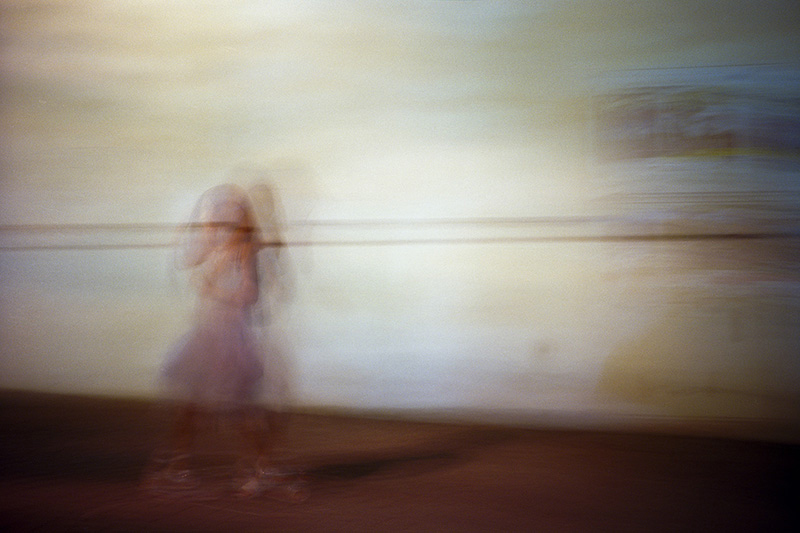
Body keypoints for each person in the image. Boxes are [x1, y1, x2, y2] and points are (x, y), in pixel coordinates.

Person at [145, 183, 291, 498]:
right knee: (191, 406)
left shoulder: (245, 251)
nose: (222, 225)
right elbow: (187, 259)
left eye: (229, 218)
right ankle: (177, 466)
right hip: (207, 334)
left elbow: (248, 295)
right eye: (217, 218)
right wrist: (197, 230)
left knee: (241, 409)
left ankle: (261, 467)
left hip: (230, 338)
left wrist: (213, 289)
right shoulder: (217, 245)